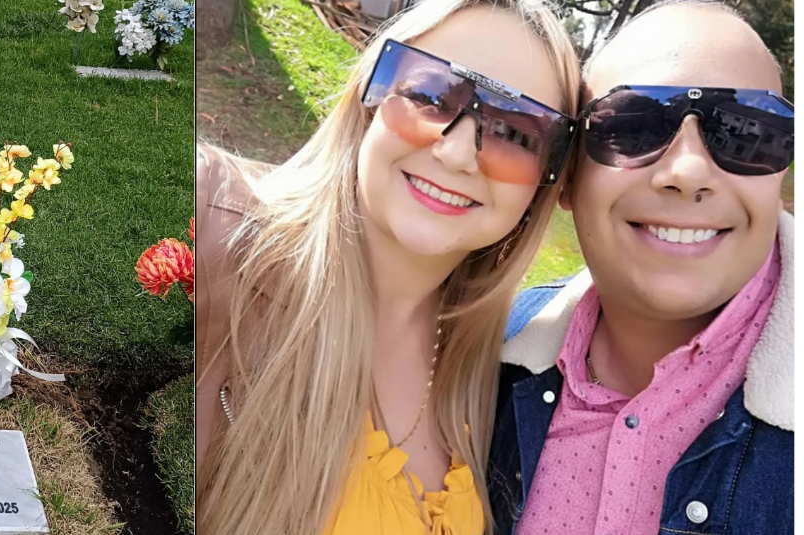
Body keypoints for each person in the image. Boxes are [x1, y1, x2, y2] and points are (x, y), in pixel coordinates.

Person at [195, 0, 583, 532]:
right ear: (370, 96)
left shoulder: (496, 375)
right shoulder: (216, 234)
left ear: (545, 182)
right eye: (431, 96)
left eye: (514, 133)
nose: (457, 153)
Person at [487, 2, 794, 534]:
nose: (689, 171)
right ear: (568, 177)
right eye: (634, 126)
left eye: (744, 132)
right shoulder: (490, 356)